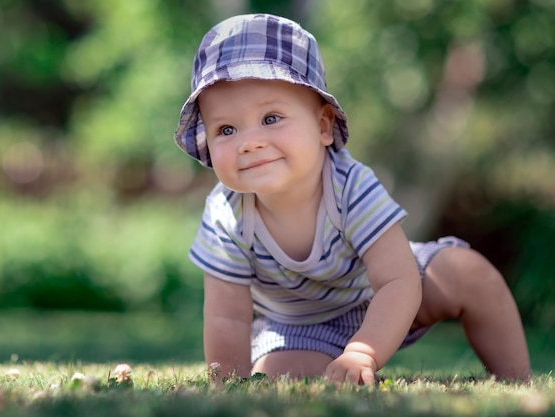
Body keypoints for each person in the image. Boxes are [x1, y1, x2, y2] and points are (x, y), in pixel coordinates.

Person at [174, 13, 530, 385]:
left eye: (271, 118)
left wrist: (365, 349)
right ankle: (335, 366)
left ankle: (517, 381)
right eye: (226, 129)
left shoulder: (348, 186)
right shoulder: (225, 213)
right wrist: (229, 384)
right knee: (281, 378)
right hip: (300, 326)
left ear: (323, 126)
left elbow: (397, 280)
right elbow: (227, 315)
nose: (249, 142)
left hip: (382, 293)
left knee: (467, 273)